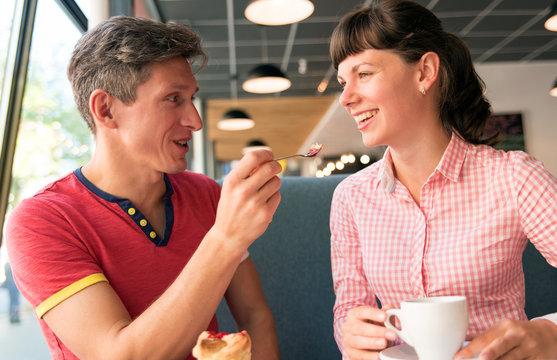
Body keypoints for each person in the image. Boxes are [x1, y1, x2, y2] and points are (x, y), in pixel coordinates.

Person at [5, 16, 282, 360]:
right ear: (105, 110)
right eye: (173, 99)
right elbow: (120, 355)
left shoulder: (207, 195)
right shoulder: (42, 222)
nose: (194, 121)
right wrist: (225, 238)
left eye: (191, 98)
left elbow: (256, 317)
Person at [328, 1, 557, 359]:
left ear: (424, 72)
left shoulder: (513, 176)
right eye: (343, 81)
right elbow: (349, 313)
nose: (345, 97)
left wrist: (550, 333)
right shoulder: (351, 198)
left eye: (364, 74)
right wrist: (353, 338)